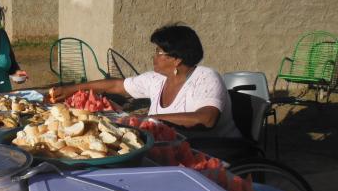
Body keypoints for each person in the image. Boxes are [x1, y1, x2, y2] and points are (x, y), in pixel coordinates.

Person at [50, 24, 241, 138]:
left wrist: (147, 119)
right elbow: (117, 85)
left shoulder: (206, 78)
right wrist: (73, 89)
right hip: (173, 144)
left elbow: (205, 119)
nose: (154, 57)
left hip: (214, 150)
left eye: (159, 52)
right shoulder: (157, 79)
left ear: (176, 59)